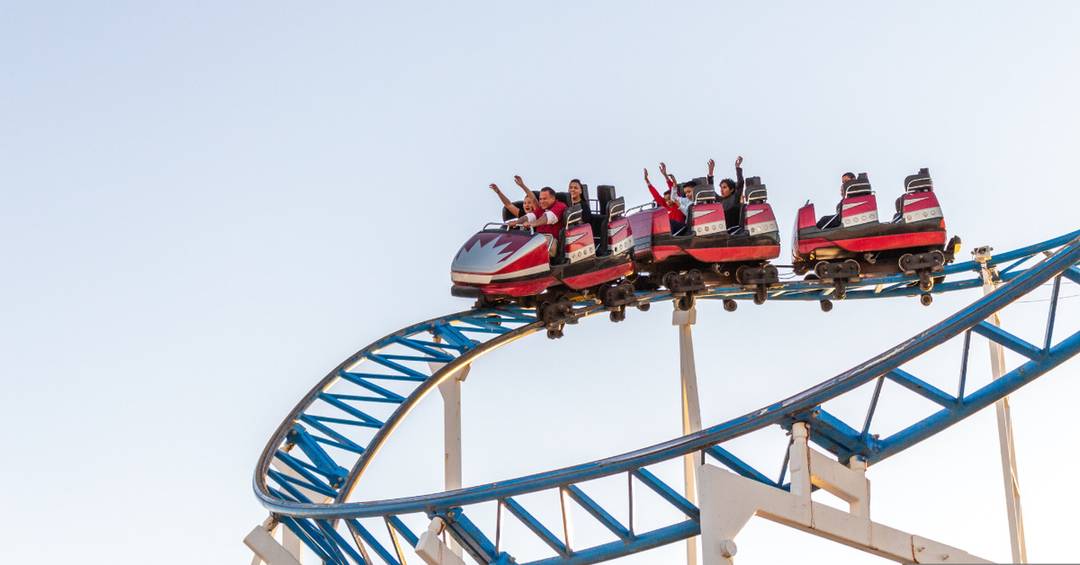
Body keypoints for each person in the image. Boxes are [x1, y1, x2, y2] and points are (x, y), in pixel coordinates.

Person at [707, 156, 745, 229]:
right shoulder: (719, 200)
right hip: (723, 231)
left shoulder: (735, 197)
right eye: (721, 188)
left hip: (736, 230)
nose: (721, 190)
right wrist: (710, 173)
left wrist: (737, 167)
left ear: (731, 189)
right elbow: (710, 190)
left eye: (724, 187)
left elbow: (740, 183)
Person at [644, 167, 686, 232]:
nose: (668, 201)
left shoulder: (678, 203)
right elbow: (656, 195)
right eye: (666, 200)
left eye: (669, 199)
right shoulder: (665, 207)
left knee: (670, 222)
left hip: (682, 228)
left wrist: (665, 175)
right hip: (671, 230)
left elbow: (672, 188)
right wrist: (647, 180)